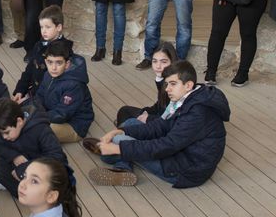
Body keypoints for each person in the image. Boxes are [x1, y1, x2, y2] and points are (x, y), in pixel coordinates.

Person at [88, 60, 229, 188]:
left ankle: (110, 155)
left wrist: (119, 148)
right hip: (180, 153)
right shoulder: (190, 98)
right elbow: (160, 126)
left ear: (188, 85)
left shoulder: (197, 112)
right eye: (167, 84)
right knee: (129, 125)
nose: (167, 89)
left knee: (119, 141)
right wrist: (119, 131)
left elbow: (165, 146)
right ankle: (116, 158)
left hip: (186, 170)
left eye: (173, 84)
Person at [0, 99, 67, 197]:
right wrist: (14, 156)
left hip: (41, 168)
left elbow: (56, 156)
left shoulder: (41, 129)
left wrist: (25, 168)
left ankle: (30, 194)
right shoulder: (7, 125)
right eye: (1, 133)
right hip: (22, 165)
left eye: (6, 132)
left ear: (19, 121)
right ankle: (22, 191)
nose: (4, 137)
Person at [33, 38, 93, 144]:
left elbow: (62, 114)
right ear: (46, 61)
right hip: (51, 114)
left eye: (59, 63)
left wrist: (37, 117)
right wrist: (31, 110)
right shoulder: (48, 75)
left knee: (36, 130)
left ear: (67, 64)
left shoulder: (74, 85)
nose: (53, 68)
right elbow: (39, 96)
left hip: (74, 125)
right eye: (50, 62)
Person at [12, 4, 67, 103]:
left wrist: (28, 99)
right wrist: (20, 90)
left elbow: (53, 84)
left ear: (58, 27)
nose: (44, 31)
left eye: (48, 27)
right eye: (41, 27)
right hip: (34, 92)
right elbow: (29, 70)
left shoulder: (64, 50)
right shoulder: (39, 45)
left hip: (51, 98)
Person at [116, 43, 178, 125]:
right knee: (124, 111)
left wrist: (148, 118)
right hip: (159, 116)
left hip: (166, 125)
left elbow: (171, 118)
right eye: (154, 61)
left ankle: (123, 131)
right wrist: (146, 111)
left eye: (163, 62)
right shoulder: (163, 79)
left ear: (172, 62)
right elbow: (160, 104)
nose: (158, 66)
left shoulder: (175, 84)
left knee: (130, 123)